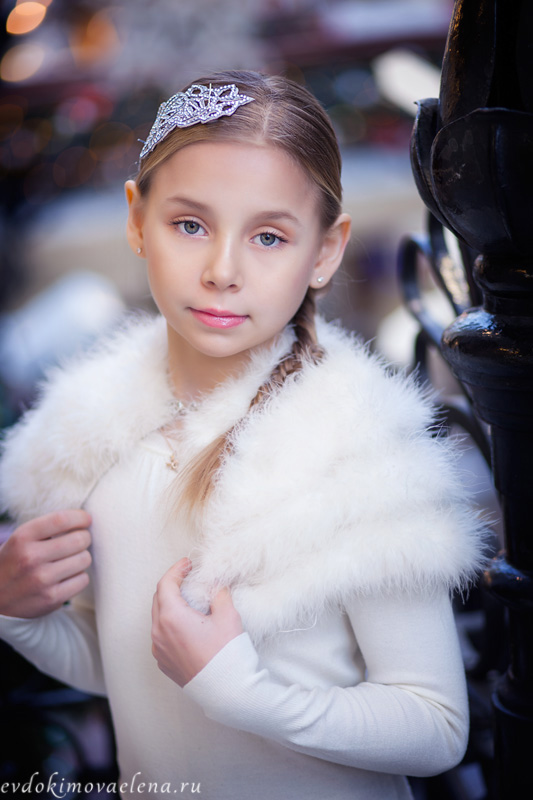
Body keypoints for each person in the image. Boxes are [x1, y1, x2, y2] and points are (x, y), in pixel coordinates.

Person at [0, 71, 486, 799]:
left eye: (268, 236)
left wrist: (243, 693)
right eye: (190, 225)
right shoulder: (90, 440)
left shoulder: (359, 453)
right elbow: (132, 668)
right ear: (137, 221)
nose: (222, 271)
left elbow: (434, 726)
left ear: (325, 251)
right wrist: (17, 614)